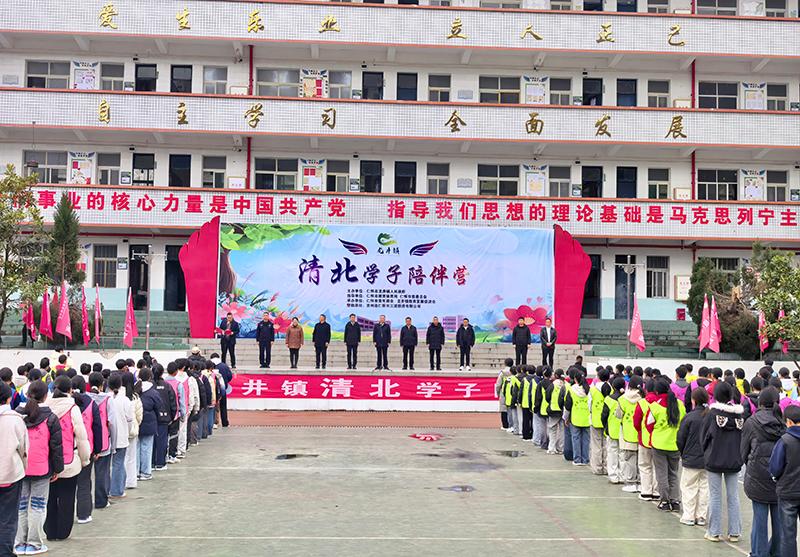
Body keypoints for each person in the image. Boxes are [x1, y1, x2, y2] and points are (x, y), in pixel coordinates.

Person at [15, 380, 64, 556]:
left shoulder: (17, 416)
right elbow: (56, 447)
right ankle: (34, 543)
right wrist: (57, 469)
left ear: (28, 394)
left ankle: (19, 543)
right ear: (46, 395)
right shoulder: (51, 418)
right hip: (42, 469)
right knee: (37, 506)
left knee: (21, 506)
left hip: (20, 468)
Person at [43, 376, 91, 542]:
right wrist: (85, 459)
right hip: (69, 459)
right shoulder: (72, 408)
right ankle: (63, 531)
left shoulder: (46, 406)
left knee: (50, 497)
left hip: (48, 460)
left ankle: (50, 530)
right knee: (67, 497)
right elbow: (81, 437)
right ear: (70, 390)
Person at [741, 386, 784, 556]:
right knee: (779, 521)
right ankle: (776, 552)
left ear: (761, 402)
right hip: (779, 478)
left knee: (759, 520)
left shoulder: (751, 422)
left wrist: (752, 464)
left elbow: (743, 452)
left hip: (756, 477)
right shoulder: (783, 422)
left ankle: (759, 553)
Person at [701, 381, 743, 543]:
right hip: (734, 459)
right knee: (733, 496)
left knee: (715, 496)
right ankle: (734, 532)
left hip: (714, 459)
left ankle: (714, 532)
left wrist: (706, 452)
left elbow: (704, 437)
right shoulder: (739, 415)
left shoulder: (712, 415)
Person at [648, 376, 686, 512]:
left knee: (661, 474)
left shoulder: (655, 407)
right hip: (675, 444)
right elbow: (684, 423)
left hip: (659, 444)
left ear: (657, 392)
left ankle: (664, 501)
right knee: (673, 473)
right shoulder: (680, 405)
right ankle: (675, 501)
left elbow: (649, 425)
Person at [0, 382, 27, 557]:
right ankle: (5, 551)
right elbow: (24, 448)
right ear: (9, 397)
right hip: (10, 473)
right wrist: (24, 468)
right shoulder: (15, 419)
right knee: (8, 518)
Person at [769, 405, 800, 557]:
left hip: (788, 491)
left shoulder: (784, 441)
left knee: (788, 535)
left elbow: (775, 467)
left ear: (788, 422)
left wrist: (776, 477)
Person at [677, 387, 710, 527]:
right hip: (707, 459)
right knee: (704, 488)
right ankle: (701, 516)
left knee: (689, 487)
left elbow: (680, 439)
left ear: (693, 400)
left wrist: (683, 453)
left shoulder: (689, 417)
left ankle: (689, 515)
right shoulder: (710, 417)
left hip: (691, 458)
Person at [86, 371, 116, 510]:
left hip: (87, 441)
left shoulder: (85, 399)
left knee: (85, 476)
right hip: (103, 440)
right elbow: (112, 423)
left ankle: (84, 503)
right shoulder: (108, 400)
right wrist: (113, 443)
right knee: (102, 473)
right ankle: (101, 501)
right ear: (102, 384)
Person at [617, 375, 643, 493]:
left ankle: (631, 482)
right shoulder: (643, 398)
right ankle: (641, 483)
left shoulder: (622, 399)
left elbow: (618, 415)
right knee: (642, 460)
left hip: (627, 434)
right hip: (641, 434)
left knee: (629, 459)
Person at [108, 374, 132, 499]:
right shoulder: (125, 400)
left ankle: (109, 488)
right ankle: (117, 490)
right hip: (121, 435)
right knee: (119, 463)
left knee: (106, 465)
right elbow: (130, 419)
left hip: (107, 437)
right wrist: (127, 432)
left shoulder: (105, 398)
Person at [137, 368, 163, 482]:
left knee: (136, 448)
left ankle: (136, 472)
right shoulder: (153, 392)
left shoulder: (135, 389)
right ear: (149, 377)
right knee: (146, 448)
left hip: (136, 422)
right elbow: (159, 406)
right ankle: (146, 472)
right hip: (149, 422)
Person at [562, 371, 591, 465]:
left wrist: (565, 417)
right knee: (586, 440)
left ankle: (577, 459)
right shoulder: (589, 390)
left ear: (575, 379)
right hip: (587, 418)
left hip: (575, 418)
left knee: (576, 439)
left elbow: (567, 406)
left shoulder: (571, 390)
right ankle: (585, 459)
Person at [603, 377, 625, 485]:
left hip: (611, 429)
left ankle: (613, 476)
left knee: (612, 453)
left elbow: (604, 415)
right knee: (622, 455)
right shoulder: (625, 399)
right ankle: (622, 476)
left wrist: (605, 426)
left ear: (613, 387)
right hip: (624, 431)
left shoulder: (608, 399)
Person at [589, 367, 611, 476]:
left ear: (598, 377)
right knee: (606, 445)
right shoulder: (611, 389)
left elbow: (589, 405)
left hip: (596, 420)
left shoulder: (593, 390)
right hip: (608, 421)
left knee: (596, 445)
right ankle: (607, 467)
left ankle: (597, 468)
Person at [163, 362, 186, 464]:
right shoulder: (178, 384)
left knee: (164, 435)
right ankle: (172, 455)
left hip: (163, 413)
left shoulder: (163, 383)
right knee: (174, 435)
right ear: (176, 372)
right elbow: (181, 401)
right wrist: (183, 414)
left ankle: (163, 455)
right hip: (175, 413)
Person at [546, 369, 565, 455]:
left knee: (552, 430)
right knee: (562, 430)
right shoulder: (565, 384)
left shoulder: (553, 385)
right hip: (563, 410)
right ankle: (561, 448)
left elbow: (547, 396)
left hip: (553, 409)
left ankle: (552, 448)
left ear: (556, 375)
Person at [533, 367, 551, 448]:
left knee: (542, 427)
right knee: (550, 427)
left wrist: (536, 407)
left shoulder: (540, 384)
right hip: (551, 408)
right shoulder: (552, 384)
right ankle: (549, 442)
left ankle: (543, 443)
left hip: (542, 408)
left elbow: (538, 397)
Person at [495, 359, 512, 430]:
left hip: (504, 393)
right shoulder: (514, 372)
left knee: (503, 409)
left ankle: (505, 425)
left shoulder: (502, 373)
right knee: (512, 409)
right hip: (512, 393)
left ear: (505, 364)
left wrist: (498, 393)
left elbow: (498, 385)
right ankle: (512, 425)